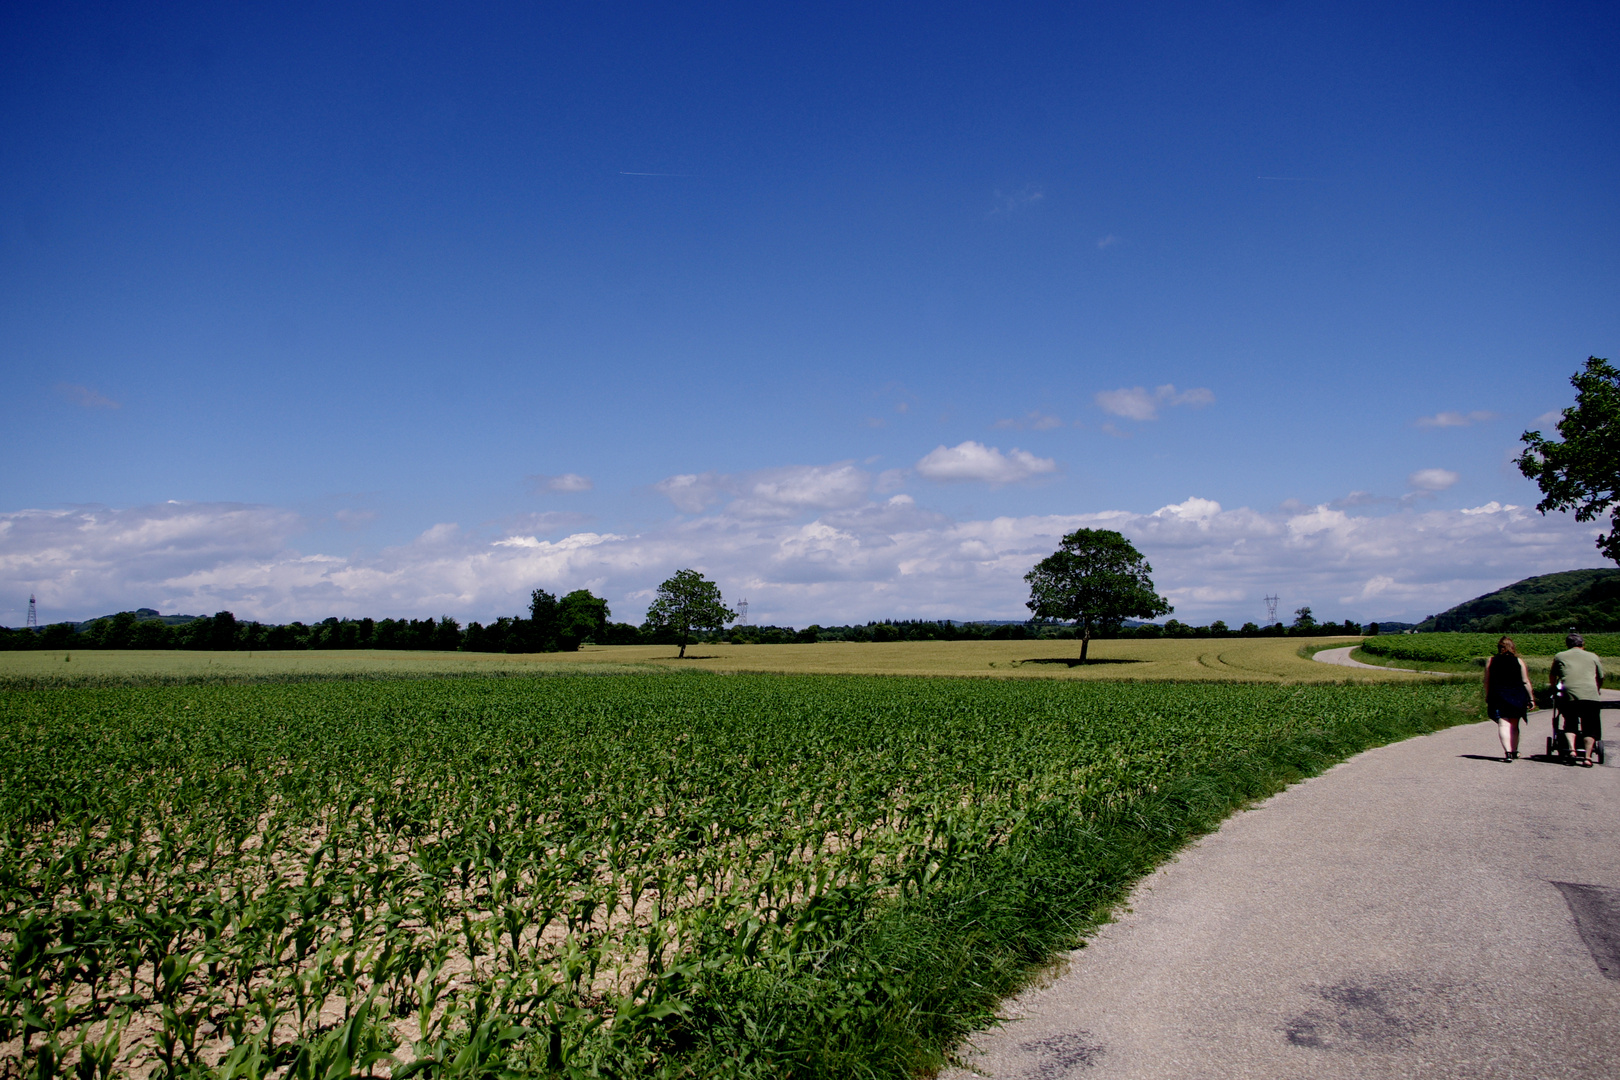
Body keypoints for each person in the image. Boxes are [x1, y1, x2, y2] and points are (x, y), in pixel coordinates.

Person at [1550, 633, 1606, 767]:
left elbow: (1553, 675)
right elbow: (1601, 676)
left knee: (1570, 722)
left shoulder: (1560, 656)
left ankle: (1572, 750)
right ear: (1583, 644)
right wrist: (1597, 688)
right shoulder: (1593, 656)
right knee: (1590, 726)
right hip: (1590, 695)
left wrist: (1554, 689)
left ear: (1567, 644)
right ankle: (1587, 757)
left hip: (1569, 694)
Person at [1484, 637, 1536, 761]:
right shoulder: (1518, 661)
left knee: (1503, 724)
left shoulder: (1491, 661)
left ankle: (1507, 752)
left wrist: (1487, 695)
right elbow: (1525, 681)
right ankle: (1514, 750)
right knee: (1514, 725)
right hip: (1517, 695)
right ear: (1512, 647)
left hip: (1498, 694)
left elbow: (1486, 681)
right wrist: (1531, 698)